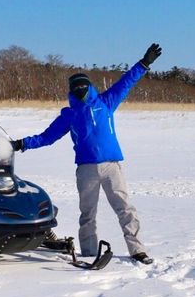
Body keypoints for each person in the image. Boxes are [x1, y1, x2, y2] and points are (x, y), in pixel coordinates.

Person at [11, 43, 162, 264]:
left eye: (83, 85)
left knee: (125, 208)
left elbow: (127, 82)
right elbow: (47, 137)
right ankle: (90, 252)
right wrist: (22, 143)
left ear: (89, 86)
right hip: (86, 169)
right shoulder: (69, 115)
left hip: (112, 166)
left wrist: (144, 63)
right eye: (76, 86)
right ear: (72, 90)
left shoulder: (106, 102)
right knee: (88, 214)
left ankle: (137, 249)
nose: (80, 89)